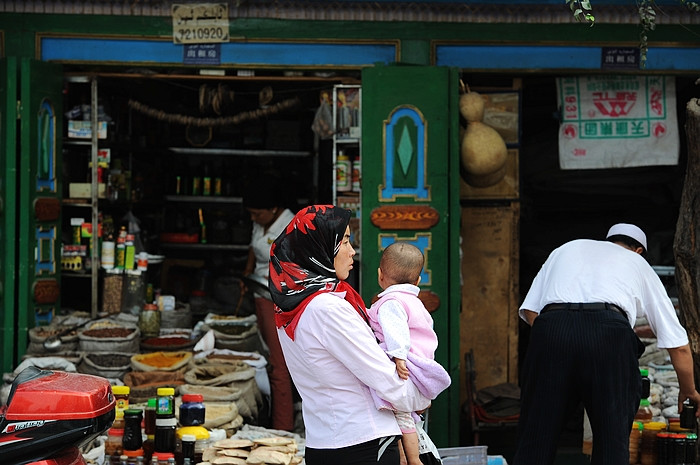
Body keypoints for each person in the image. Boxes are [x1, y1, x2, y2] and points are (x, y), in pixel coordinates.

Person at [514, 223, 700, 465]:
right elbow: (678, 343)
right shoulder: (636, 263)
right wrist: (689, 390)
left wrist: (559, 337)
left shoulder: (566, 249)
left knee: (536, 437)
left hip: (551, 328)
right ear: (639, 250)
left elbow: (530, 310)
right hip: (608, 335)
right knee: (612, 441)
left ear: (608, 240)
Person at [268, 205, 431, 465]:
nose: (351, 250)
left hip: (326, 441)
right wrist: (421, 396)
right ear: (318, 247)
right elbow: (385, 379)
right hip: (361, 444)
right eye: (343, 241)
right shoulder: (326, 308)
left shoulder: (290, 306)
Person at [367, 242, 451, 465]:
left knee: (401, 415)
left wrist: (398, 356)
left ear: (380, 275)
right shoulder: (415, 303)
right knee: (404, 418)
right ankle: (404, 455)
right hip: (420, 375)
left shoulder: (391, 303)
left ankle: (412, 459)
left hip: (407, 371)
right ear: (418, 281)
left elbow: (397, 333)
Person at [242, 179, 296, 431]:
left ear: (274, 209)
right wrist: (248, 273)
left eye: (257, 213)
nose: (253, 218)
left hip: (278, 301)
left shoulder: (291, 226)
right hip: (259, 293)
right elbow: (254, 249)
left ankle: (282, 427)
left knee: (278, 366)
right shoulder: (260, 222)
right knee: (269, 360)